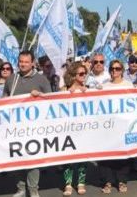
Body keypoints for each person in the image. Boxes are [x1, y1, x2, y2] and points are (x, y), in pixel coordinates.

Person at [4, 51, 52, 197]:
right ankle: (21, 188)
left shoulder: (41, 79)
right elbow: (4, 99)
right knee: (17, 158)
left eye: (26, 61)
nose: (23, 64)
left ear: (32, 63)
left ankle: (33, 189)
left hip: (34, 128)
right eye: (20, 61)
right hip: (14, 127)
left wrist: (40, 95)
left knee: (32, 158)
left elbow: (50, 100)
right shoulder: (12, 79)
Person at [99, 60, 133, 193]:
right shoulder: (104, 86)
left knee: (123, 154)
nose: (115, 71)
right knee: (106, 154)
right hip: (108, 125)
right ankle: (107, 181)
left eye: (118, 69)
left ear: (122, 71)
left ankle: (122, 180)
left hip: (123, 125)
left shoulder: (128, 85)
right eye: (112, 69)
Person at [61, 63, 88, 196]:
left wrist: (87, 93)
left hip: (84, 128)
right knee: (68, 157)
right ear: (73, 75)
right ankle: (68, 183)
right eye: (81, 74)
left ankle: (81, 182)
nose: (84, 76)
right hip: (67, 129)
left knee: (83, 155)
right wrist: (67, 95)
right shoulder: (63, 89)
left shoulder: (87, 89)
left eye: (85, 73)